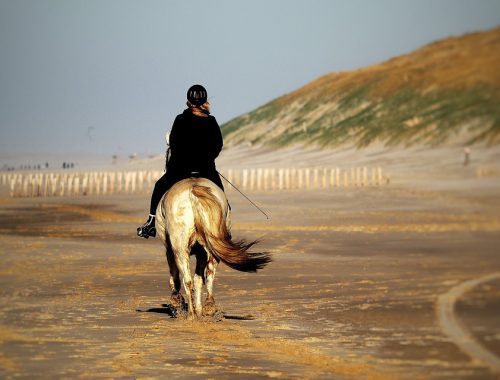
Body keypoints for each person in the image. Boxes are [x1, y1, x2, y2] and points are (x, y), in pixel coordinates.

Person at [137, 84, 225, 238]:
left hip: (180, 171)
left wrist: (182, 159)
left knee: (159, 187)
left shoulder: (180, 119)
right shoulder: (211, 121)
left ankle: (151, 224)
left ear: (188, 101)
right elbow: (217, 146)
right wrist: (206, 159)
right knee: (222, 197)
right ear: (205, 101)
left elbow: (174, 144)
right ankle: (224, 226)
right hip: (206, 170)